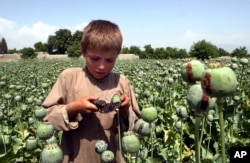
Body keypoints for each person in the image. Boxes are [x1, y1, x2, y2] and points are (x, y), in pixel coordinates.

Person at [42, 19, 141, 163]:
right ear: (83, 51)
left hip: (114, 157)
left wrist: (126, 111)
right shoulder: (69, 78)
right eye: (95, 58)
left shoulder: (122, 82)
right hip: (76, 157)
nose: (102, 66)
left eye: (109, 60)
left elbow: (138, 125)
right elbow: (46, 118)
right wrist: (73, 108)